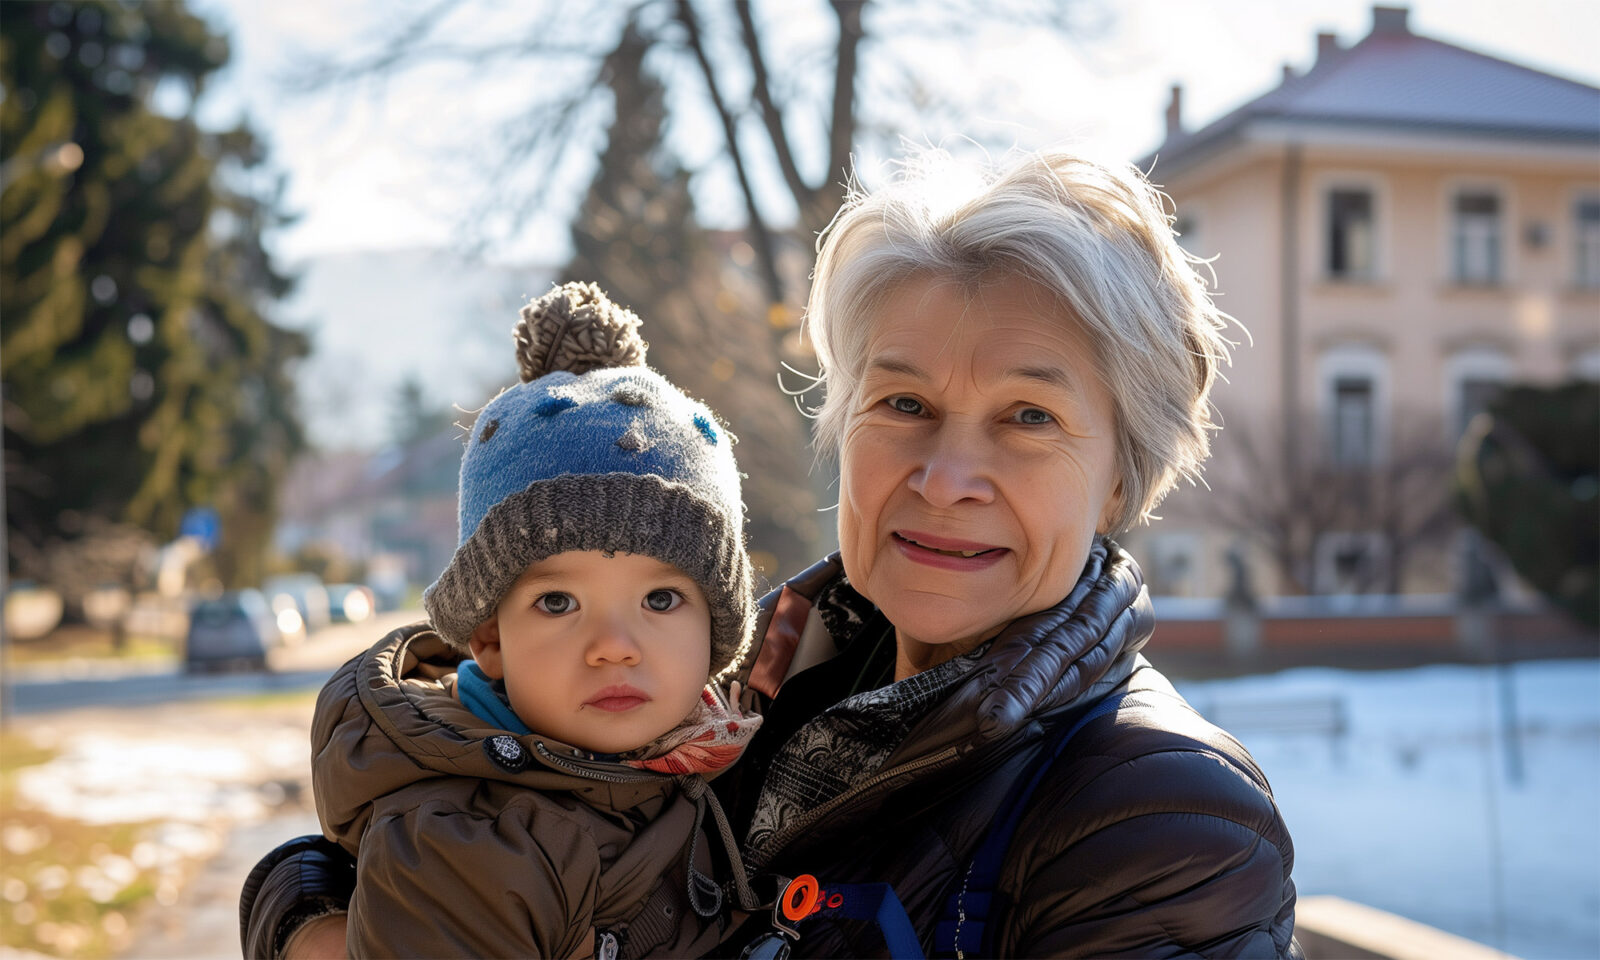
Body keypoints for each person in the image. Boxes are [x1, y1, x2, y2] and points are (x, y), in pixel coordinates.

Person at [244, 149, 1300, 958]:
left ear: (1121, 472)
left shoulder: (1166, 822)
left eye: (1027, 416)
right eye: (903, 402)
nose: (943, 475)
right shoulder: (736, 696)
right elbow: (449, 818)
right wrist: (302, 910)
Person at [276, 282, 764, 958]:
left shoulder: (705, 761)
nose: (615, 648)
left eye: (660, 599)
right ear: (488, 639)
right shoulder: (466, 846)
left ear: (715, 629)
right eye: (558, 603)